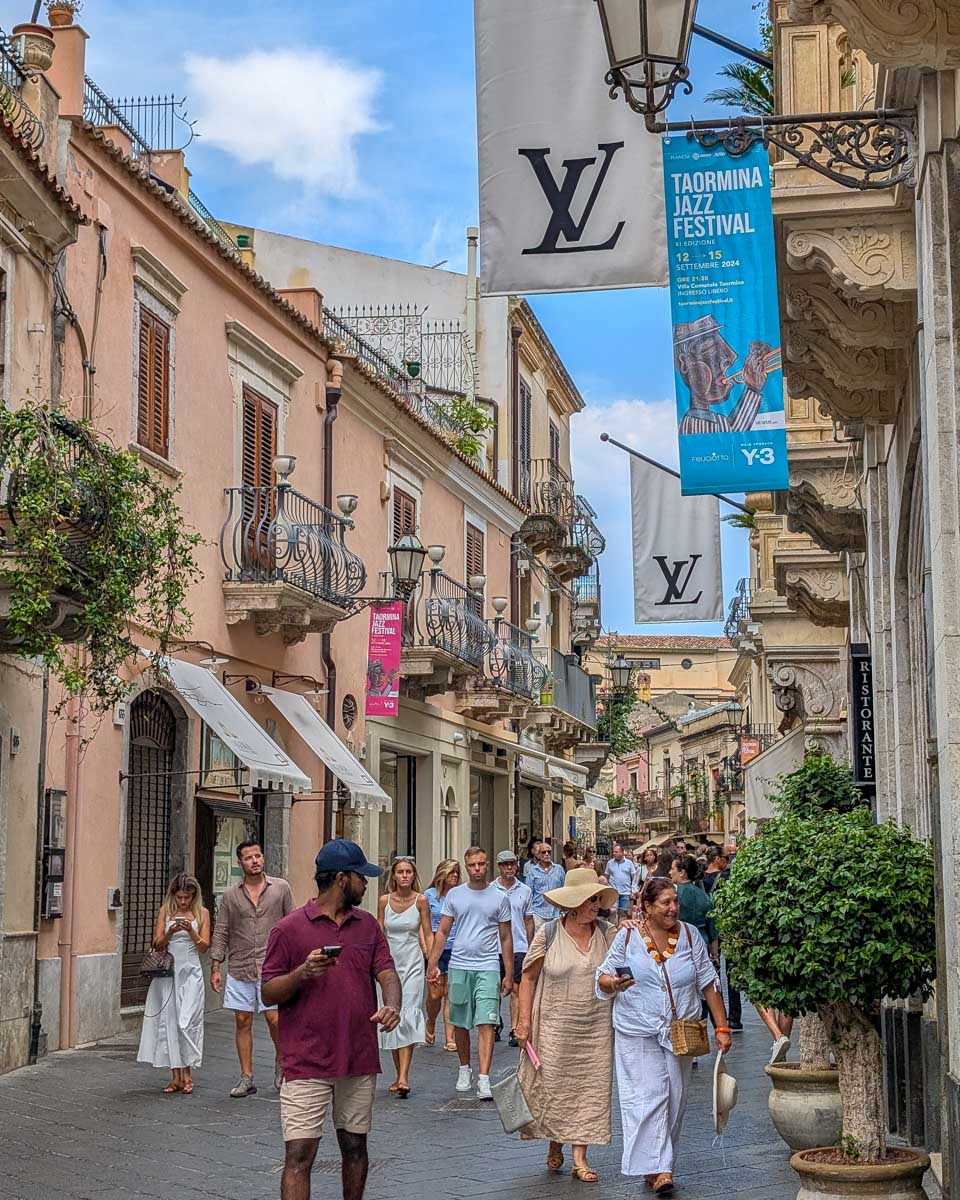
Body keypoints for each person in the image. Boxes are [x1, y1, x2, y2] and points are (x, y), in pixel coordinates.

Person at [261, 839, 401, 1200]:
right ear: (341, 878)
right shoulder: (289, 930)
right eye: (361, 877)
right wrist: (302, 974)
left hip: (357, 1055)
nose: (367, 883)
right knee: (299, 1155)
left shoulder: (367, 925)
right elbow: (268, 992)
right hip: (305, 1059)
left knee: (355, 1147)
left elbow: (386, 971)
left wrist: (392, 1004)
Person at [597, 877, 732, 1194]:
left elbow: (709, 983)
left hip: (679, 1031)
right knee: (648, 1099)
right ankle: (660, 1169)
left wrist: (722, 1027)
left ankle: (658, 1163)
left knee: (675, 1097)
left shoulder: (689, 935)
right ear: (647, 907)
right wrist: (613, 984)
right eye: (666, 903)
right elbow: (603, 975)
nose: (673, 908)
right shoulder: (628, 936)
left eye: (675, 901)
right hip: (636, 1030)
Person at [515, 869, 619, 1183]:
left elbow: (624, 964)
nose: (597, 905)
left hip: (596, 1027)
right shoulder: (548, 933)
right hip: (554, 1025)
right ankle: (555, 1140)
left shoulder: (608, 932)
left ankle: (580, 1157)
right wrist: (522, 1023)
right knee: (556, 1089)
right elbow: (528, 979)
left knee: (590, 1090)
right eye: (591, 899)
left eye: (599, 899)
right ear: (574, 903)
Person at [425, 846, 513, 1100]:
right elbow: (442, 931)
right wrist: (433, 962)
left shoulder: (499, 897)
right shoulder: (456, 896)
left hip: (487, 966)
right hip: (459, 965)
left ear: (487, 866)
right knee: (461, 1022)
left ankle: (484, 1077)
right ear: (467, 866)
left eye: (481, 864)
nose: (477, 869)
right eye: (472, 865)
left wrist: (507, 972)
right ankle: (465, 1068)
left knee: (486, 1021)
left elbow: (505, 937)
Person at [210, 840, 294, 1098]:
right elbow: (222, 929)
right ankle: (246, 1077)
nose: (255, 861)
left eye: (258, 856)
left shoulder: (280, 888)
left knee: (274, 1019)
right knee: (242, 1020)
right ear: (240, 863)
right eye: (249, 858)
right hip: (240, 965)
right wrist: (215, 965)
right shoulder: (230, 896)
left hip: (273, 965)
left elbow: (293, 924)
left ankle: (282, 1063)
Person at [137, 873, 209, 1093]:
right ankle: (176, 1075)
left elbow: (204, 946)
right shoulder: (165, 912)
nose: (183, 901)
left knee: (186, 1021)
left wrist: (190, 931)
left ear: (194, 896)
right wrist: (170, 932)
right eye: (180, 897)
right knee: (169, 1020)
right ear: (173, 895)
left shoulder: (202, 913)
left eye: (187, 897)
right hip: (168, 972)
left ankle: (188, 1072)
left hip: (191, 972)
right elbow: (157, 944)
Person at [376, 857, 432, 1097]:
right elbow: (379, 933)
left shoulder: (421, 901)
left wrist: (433, 963)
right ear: (394, 876)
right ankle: (398, 1074)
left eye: (408, 872)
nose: (405, 876)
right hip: (389, 965)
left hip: (413, 964)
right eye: (400, 872)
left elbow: (428, 933)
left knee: (408, 1013)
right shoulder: (383, 901)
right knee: (391, 1014)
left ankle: (403, 1077)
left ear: (413, 875)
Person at [492, 850, 535, 1046]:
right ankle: (494, 1022)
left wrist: (531, 946)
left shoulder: (525, 890)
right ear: (499, 867)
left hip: (518, 945)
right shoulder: (490, 890)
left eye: (512, 864)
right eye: (505, 864)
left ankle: (515, 1028)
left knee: (516, 988)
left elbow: (528, 920)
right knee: (494, 988)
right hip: (494, 946)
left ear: (517, 866)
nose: (509, 868)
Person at [701, 847, 743, 1033]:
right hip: (727, 927)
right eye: (725, 858)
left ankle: (719, 1015)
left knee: (713, 975)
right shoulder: (727, 878)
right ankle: (734, 1017)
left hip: (710, 929)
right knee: (732, 974)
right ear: (717, 859)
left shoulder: (700, 879)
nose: (728, 861)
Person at [423, 858, 461, 1050]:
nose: (454, 876)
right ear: (442, 875)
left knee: (450, 994)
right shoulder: (429, 896)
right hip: (436, 948)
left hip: (456, 947)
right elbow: (425, 925)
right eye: (451, 872)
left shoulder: (460, 895)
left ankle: (449, 1037)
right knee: (435, 994)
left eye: (456, 873)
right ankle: (431, 1020)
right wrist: (428, 951)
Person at [526, 841, 567, 930]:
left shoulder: (559, 869)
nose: (547, 854)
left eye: (549, 852)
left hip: (556, 913)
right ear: (538, 854)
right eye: (543, 852)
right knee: (540, 942)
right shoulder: (532, 872)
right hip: (538, 913)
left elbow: (564, 889)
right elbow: (528, 894)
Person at [604, 843, 638, 927]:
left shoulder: (629, 863)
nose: (614, 853)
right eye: (613, 852)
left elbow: (634, 877)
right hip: (613, 891)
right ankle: (612, 930)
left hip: (625, 892)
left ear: (622, 852)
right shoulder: (610, 863)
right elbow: (606, 876)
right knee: (613, 911)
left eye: (616, 852)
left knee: (623, 913)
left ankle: (620, 930)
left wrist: (633, 890)